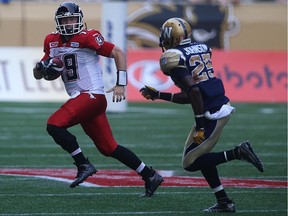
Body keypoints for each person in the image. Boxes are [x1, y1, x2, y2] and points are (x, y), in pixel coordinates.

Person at [33, 1, 163, 197]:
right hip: (83, 100)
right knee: (109, 147)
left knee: (54, 124)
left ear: (79, 20)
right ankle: (150, 175)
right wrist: (40, 69)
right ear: (58, 22)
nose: (68, 23)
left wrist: (121, 83)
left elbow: (118, 52)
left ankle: (83, 164)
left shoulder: (88, 37)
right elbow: (40, 73)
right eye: (65, 20)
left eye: (71, 19)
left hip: (92, 95)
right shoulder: (51, 40)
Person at [140, 17, 264, 212]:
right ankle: (223, 201)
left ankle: (238, 152)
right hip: (214, 107)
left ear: (173, 38)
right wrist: (159, 95)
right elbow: (191, 93)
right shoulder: (200, 48)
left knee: (190, 163)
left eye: (165, 37)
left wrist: (199, 125)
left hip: (211, 114)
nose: (163, 41)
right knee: (199, 157)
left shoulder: (172, 57)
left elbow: (195, 92)